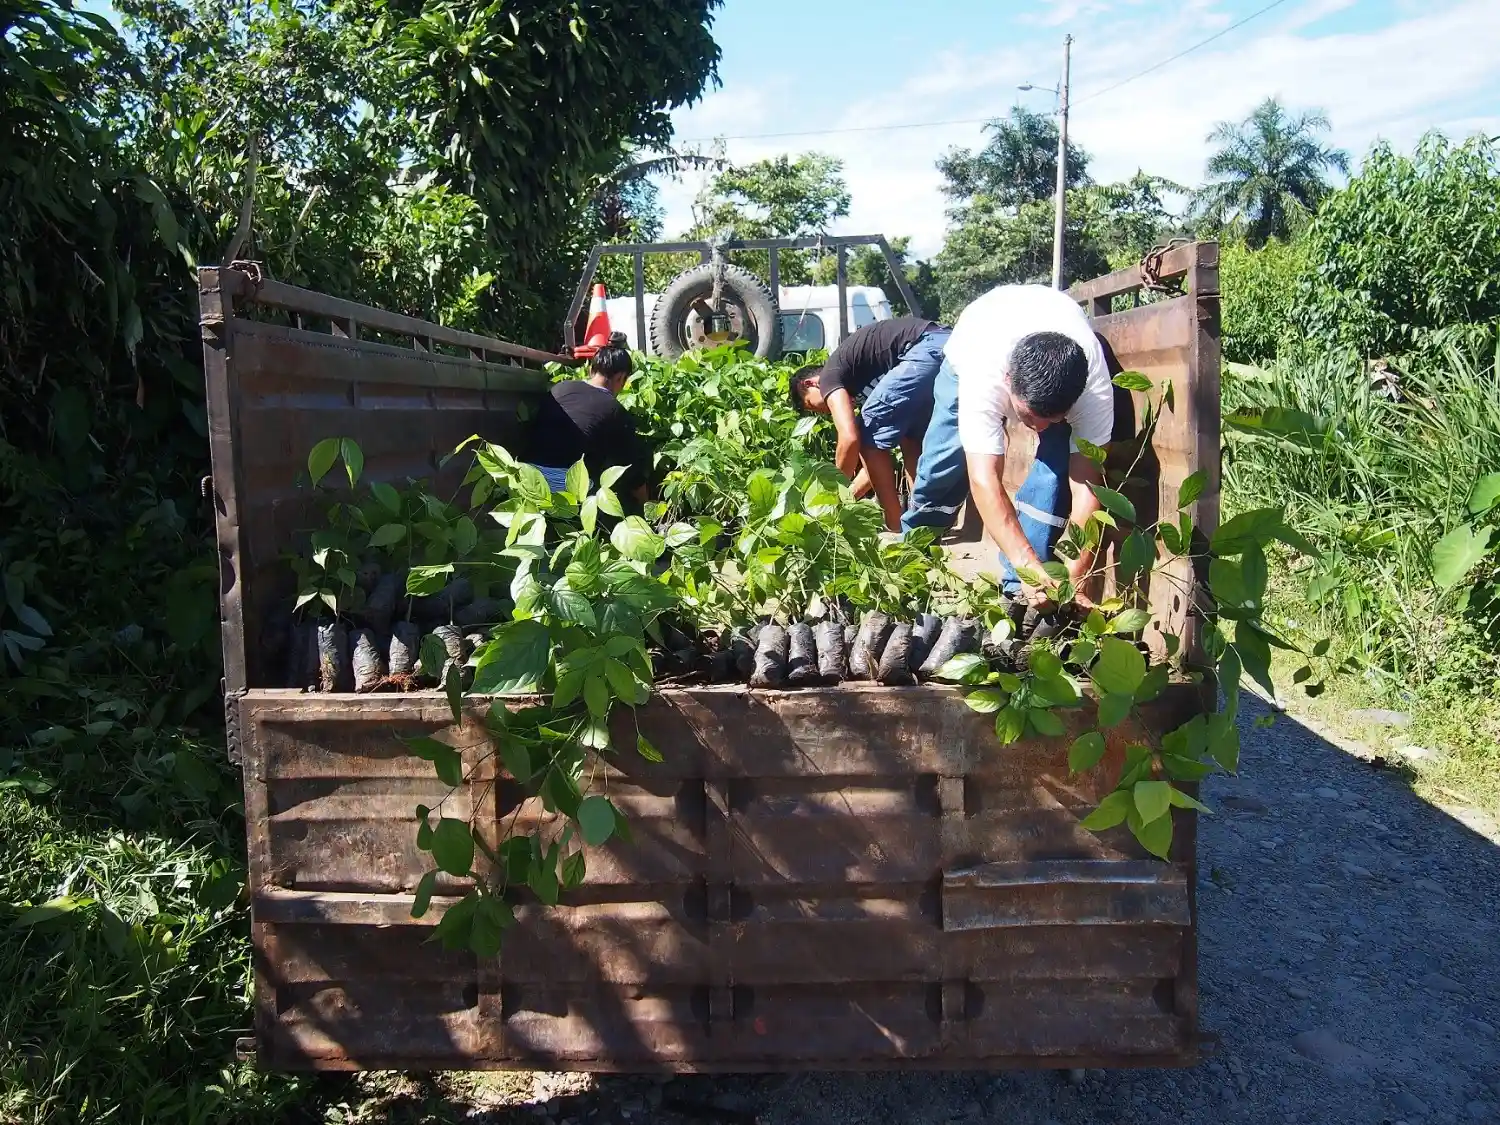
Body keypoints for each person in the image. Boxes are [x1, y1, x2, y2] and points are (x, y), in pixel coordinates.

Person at [905, 284, 1115, 605]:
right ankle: (909, 552)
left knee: (1056, 474)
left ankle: (1020, 587)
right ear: (1007, 382)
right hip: (972, 339)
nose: (1040, 428)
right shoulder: (983, 372)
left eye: (1053, 418)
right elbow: (984, 478)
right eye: (1032, 417)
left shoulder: (1092, 389)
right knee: (941, 463)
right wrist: (1025, 559)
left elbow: (1088, 488)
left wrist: (1076, 578)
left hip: (1050, 332)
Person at [789, 316, 951, 531]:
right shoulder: (862, 380)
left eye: (813, 405)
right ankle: (923, 525)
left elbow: (850, 438)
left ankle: (897, 526)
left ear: (809, 384)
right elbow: (873, 463)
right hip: (948, 345)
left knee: (866, 433)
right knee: (910, 441)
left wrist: (833, 494)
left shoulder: (829, 376)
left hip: (924, 346)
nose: (823, 410)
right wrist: (850, 497)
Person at [518, 332, 651, 506]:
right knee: (605, 495)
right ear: (621, 378)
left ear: (591, 369)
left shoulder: (559, 388)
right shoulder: (616, 411)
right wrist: (648, 509)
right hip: (567, 490)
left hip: (526, 478)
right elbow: (632, 472)